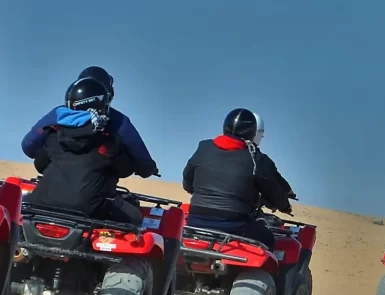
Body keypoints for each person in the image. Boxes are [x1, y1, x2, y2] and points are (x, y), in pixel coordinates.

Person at [26, 77, 143, 225]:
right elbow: (125, 170)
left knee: (18, 210)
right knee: (136, 217)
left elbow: (40, 164)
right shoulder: (108, 141)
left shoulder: (54, 133)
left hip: (42, 202)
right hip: (89, 210)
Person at [182, 108, 295, 251]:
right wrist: (285, 206)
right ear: (253, 133)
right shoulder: (255, 158)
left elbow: (187, 182)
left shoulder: (203, 147)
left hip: (196, 220)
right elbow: (273, 191)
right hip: (233, 226)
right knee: (268, 238)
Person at [21, 66, 158, 178]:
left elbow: (28, 146)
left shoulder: (58, 114)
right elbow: (142, 160)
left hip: (49, 189)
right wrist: (148, 169)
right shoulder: (118, 120)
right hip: (95, 196)